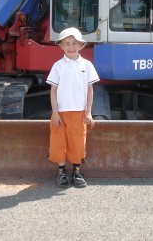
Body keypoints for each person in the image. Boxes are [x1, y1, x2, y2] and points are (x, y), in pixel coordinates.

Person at [46, 27, 100, 188]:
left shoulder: (87, 65)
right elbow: (53, 90)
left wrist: (88, 112)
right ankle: (61, 171)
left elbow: (90, 90)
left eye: (74, 43)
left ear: (81, 45)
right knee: (59, 142)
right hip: (60, 113)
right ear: (61, 46)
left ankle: (77, 172)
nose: (71, 46)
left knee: (77, 142)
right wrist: (55, 113)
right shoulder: (58, 66)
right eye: (67, 43)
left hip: (79, 113)